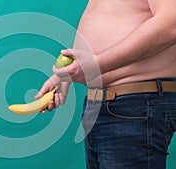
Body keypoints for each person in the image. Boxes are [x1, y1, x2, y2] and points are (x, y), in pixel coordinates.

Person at [35, 0, 176, 168]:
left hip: (133, 104)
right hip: (106, 106)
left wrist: (97, 64)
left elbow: (171, 23)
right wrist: (65, 75)